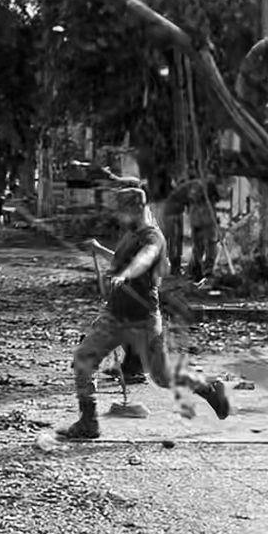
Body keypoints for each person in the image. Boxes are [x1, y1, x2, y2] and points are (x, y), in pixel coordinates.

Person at [61, 186, 232, 441]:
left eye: (123, 210)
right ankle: (88, 422)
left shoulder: (153, 237)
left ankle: (208, 388)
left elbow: (145, 258)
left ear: (137, 209)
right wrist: (100, 250)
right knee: (84, 359)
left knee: (162, 377)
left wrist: (127, 274)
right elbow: (123, 260)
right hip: (115, 315)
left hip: (143, 318)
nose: (119, 216)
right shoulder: (131, 234)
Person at [163, 175, 222, 282]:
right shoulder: (199, 186)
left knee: (201, 245)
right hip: (203, 218)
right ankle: (202, 270)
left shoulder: (195, 187)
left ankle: (196, 270)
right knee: (209, 243)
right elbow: (195, 198)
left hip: (198, 218)